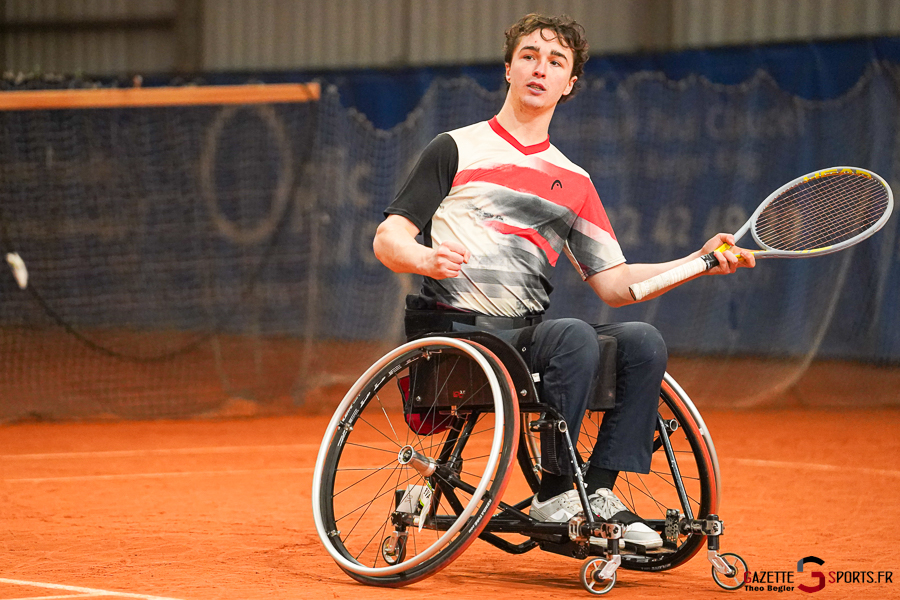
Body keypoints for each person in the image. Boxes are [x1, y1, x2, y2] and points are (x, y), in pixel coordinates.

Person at [373, 13, 755, 549]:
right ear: (508, 69)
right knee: (572, 334)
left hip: (523, 340)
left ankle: (594, 491)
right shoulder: (455, 148)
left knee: (641, 341)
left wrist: (699, 260)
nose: (540, 68)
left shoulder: (574, 182)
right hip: (456, 331)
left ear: (569, 84)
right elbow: (388, 238)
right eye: (529, 56)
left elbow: (617, 285)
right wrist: (423, 257)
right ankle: (556, 490)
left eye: (556, 61)